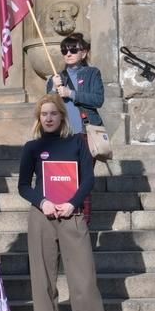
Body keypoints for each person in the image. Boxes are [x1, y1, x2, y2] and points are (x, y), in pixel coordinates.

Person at [18, 94, 112, 311]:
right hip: (42, 216)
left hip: (73, 215)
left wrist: (72, 204)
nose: (48, 118)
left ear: (62, 116)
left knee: (83, 280)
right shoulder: (32, 148)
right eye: (43, 114)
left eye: (53, 113)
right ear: (39, 118)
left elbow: (88, 179)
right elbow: (24, 186)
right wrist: (43, 202)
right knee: (43, 281)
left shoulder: (77, 144)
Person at [46, 32, 104, 225]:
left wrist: (71, 93)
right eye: (64, 50)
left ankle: (83, 224)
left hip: (85, 133)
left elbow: (97, 99)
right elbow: (47, 107)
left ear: (84, 52)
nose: (68, 53)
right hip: (63, 136)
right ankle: (65, 222)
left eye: (73, 49)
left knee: (84, 179)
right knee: (65, 179)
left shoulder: (91, 73)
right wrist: (54, 89)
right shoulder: (56, 77)